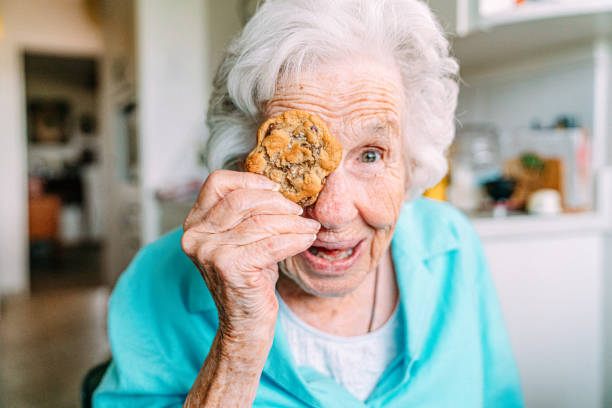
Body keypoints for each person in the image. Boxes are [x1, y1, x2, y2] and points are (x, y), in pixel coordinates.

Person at [93, 0, 523, 406]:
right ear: (243, 163)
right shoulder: (154, 280)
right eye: (289, 159)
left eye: (371, 154)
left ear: (412, 163)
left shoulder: (453, 248)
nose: (332, 213)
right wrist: (238, 347)